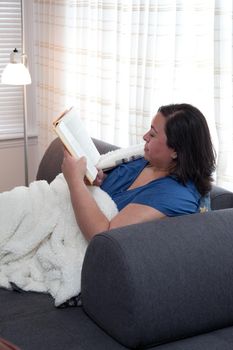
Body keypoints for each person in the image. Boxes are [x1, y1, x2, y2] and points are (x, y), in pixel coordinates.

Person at [62, 103, 216, 241]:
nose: (145, 136)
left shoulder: (175, 195)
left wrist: (75, 182)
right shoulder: (144, 160)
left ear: (176, 151)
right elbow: (110, 191)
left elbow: (103, 237)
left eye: (153, 134)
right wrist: (94, 179)